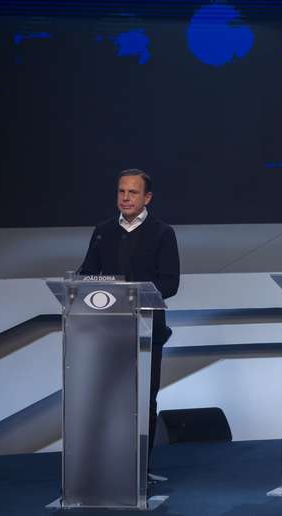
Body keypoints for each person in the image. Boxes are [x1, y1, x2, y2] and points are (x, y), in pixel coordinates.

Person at [79, 168, 180, 458]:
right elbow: (88, 276)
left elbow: (170, 284)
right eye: (121, 191)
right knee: (108, 399)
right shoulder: (103, 231)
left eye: (132, 192)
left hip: (147, 331)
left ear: (147, 197)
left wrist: (132, 295)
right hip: (108, 331)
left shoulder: (162, 233)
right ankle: (108, 464)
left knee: (143, 399)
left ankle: (140, 468)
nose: (125, 198)